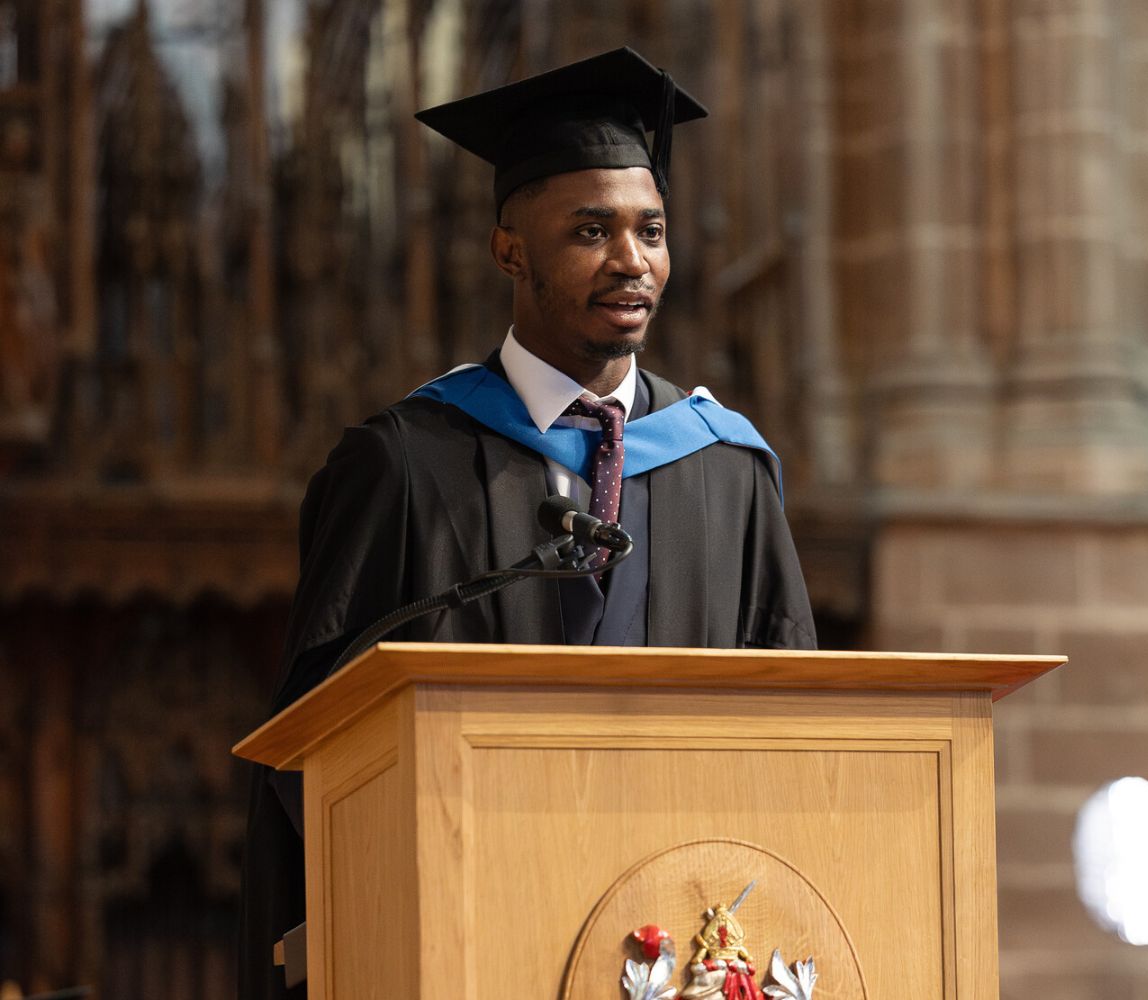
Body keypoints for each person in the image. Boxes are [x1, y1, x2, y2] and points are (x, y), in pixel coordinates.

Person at [238, 47, 816, 1000]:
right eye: (591, 231)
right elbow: (314, 750)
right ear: (510, 250)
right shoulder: (403, 466)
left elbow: (794, 735)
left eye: (651, 230)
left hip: (679, 945)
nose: (632, 261)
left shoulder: (726, 469)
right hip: (463, 941)